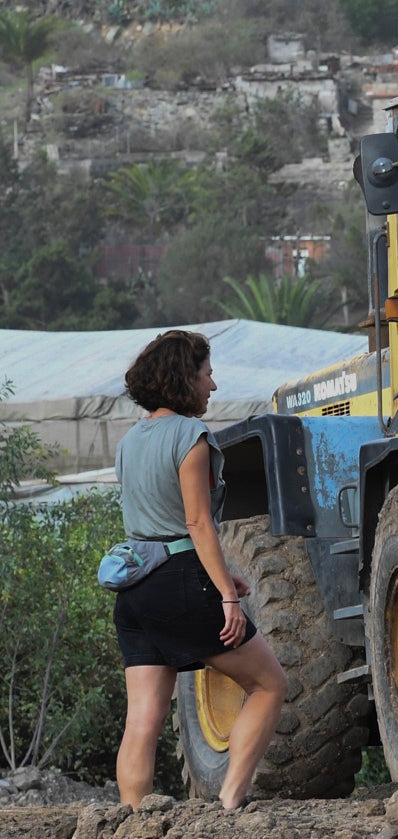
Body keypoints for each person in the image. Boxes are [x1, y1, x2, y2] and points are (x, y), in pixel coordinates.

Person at [112, 330, 289, 811]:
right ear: (183, 379)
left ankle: (133, 822)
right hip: (181, 582)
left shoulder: (129, 442)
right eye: (207, 375)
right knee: (269, 684)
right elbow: (196, 523)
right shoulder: (192, 436)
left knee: (142, 718)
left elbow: (160, 522)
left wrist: (223, 575)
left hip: (135, 587)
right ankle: (231, 800)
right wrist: (227, 596)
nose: (213, 385)